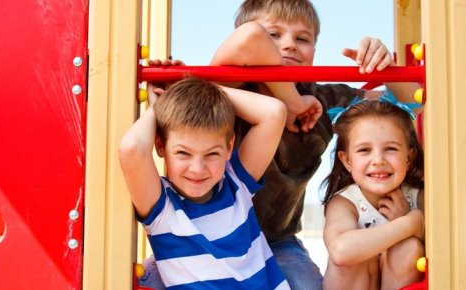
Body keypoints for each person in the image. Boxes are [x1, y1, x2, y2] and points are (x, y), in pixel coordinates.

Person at [145, 0, 421, 289]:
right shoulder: (224, 94)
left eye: (302, 39)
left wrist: (386, 67)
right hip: (198, 237)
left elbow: (408, 105)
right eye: (273, 35)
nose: (288, 45)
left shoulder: (324, 102)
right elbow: (250, 38)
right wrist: (292, 101)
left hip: (276, 240)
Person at [119, 77, 290, 289]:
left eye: (211, 154)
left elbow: (274, 113)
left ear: (229, 148)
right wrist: (159, 107)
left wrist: (190, 84)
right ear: (160, 146)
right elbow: (131, 149)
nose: (197, 169)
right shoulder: (163, 206)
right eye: (183, 153)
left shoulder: (236, 183)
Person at [321, 95, 425, 290]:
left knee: (409, 248)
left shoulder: (418, 196)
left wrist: (413, 225)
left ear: (409, 157)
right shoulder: (345, 202)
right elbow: (340, 251)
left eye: (391, 148)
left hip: (397, 278)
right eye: (364, 150)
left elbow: (449, 244)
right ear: (347, 161)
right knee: (353, 254)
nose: (378, 159)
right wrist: (411, 223)